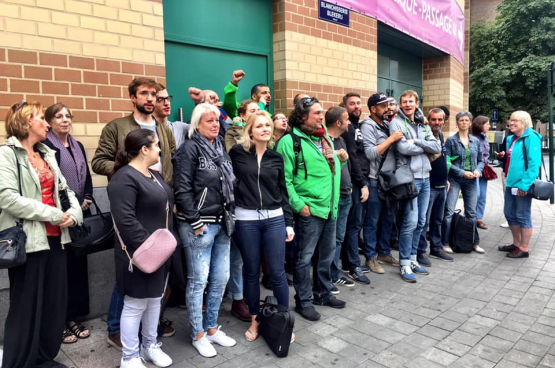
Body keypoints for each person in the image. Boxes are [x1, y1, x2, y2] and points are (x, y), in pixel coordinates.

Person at [92, 77, 177, 350]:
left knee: (157, 273)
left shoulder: (162, 128)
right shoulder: (117, 127)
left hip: (159, 204)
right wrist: (131, 174)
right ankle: (116, 329)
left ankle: (152, 328)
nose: (151, 98)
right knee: (134, 268)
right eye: (144, 94)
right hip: (132, 203)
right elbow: (98, 161)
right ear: (132, 97)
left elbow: (170, 160)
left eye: (154, 94)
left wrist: (167, 193)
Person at [0, 100, 83, 368]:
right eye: (41, 118)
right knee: (26, 307)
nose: (47, 124)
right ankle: (18, 363)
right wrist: (56, 216)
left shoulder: (46, 153)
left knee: (53, 303)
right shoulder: (7, 154)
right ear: (25, 123)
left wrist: (74, 213)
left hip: (57, 239)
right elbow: (7, 198)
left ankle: (44, 358)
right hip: (29, 242)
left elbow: (65, 189)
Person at [173, 103, 237, 357]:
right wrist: (194, 219)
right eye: (208, 120)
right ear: (196, 124)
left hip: (222, 222)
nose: (214, 124)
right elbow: (182, 188)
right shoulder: (189, 150)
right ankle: (197, 334)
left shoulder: (220, 148)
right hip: (198, 225)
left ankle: (212, 328)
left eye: (217, 120)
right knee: (198, 280)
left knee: (220, 278)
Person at [276, 97, 348, 321]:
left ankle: (322, 293)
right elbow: (284, 181)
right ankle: (304, 301)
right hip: (310, 210)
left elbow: (329, 170)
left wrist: (342, 161)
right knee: (303, 258)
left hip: (329, 207)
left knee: (325, 255)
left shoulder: (323, 136)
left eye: (321, 112)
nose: (321, 117)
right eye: (316, 113)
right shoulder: (289, 142)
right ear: (302, 117)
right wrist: (300, 206)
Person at [108, 129, 173, 368]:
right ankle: (130, 357)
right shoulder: (124, 178)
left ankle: (149, 346)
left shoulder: (151, 175)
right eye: (156, 145)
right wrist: (150, 248)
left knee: (154, 300)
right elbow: (125, 220)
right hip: (139, 254)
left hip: (160, 252)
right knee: (135, 305)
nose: (160, 150)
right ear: (144, 149)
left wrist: (162, 249)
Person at [229, 111, 295, 341]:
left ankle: (285, 322)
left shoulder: (276, 158)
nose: (266, 129)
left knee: (278, 273)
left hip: (274, 217)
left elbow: (282, 191)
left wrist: (289, 223)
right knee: (251, 271)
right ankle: (255, 320)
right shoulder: (237, 153)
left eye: (268, 125)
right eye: (260, 126)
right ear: (250, 131)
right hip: (246, 219)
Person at [43, 103, 93, 345]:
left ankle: (73, 317)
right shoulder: (45, 146)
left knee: (76, 270)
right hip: (59, 217)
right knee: (59, 272)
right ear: (49, 122)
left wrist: (87, 199)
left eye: (68, 116)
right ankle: (59, 321)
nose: (64, 120)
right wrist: (69, 207)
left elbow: (88, 177)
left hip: (80, 215)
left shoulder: (78, 145)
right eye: (58, 116)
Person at [390, 90, 441, 282]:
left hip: (425, 178)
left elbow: (436, 147)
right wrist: (424, 145)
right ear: (401, 104)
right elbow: (403, 148)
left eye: (411, 101)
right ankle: (404, 263)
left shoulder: (422, 124)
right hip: (409, 179)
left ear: (417, 103)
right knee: (410, 223)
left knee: (421, 222)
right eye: (404, 102)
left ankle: (412, 259)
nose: (408, 105)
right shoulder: (396, 123)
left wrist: (416, 141)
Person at [223, 99, 261, 322]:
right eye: (253, 111)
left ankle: (249, 295)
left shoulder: (266, 137)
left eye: (260, 111)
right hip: (240, 203)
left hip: (260, 205)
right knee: (237, 256)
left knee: (252, 257)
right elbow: (235, 162)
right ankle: (237, 299)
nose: (258, 114)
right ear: (243, 115)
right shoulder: (232, 136)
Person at [360, 93, 403, 275]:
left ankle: (384, 252)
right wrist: (391, 139)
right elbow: (370, 153)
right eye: (383, 106)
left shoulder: (387, 124)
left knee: (388, 218)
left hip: (389, 179)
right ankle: (371, 257)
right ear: (373, 109)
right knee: (372, 221)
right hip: (374, 180)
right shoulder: (367, 126)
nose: (387, 108)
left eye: (388, 105)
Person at [498, 111, 541, 258]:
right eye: (511, 120)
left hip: (522, 184)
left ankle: (524, 248)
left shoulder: (531, 137)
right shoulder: (511, 139)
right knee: (509, 213)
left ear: (524, 122)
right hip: (510, 182)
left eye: (515, 120)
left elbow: (534, 164)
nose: (511, 123)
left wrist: (525, 185)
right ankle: (516, 243)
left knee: (522, 215)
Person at [441, 111, 485, 254]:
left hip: (471, 180)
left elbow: (480, 160)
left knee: (471, 213)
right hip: (455, 179)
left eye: (467, 120)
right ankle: (446, 242)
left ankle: (473, 242)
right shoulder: (451, 141)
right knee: (449, 211)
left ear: (470, 123)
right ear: (457, 123)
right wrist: (462, 172)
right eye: (461, 120)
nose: (464, 122)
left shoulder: (476, 141)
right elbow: (446, 162)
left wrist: (478, 170)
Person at [340, 93, 370, 284]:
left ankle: (348, 262)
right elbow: (352, 157)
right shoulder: (348, 127)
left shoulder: (357, 125)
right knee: (353, 226)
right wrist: (363, 184)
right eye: (352, 104)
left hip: (360, 181)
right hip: (353, 184)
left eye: (359, 103)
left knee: (353, 226)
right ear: (345, 106)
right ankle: (353, 265)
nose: (356, 106)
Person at [324, 106, 355, 291]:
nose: (349, 122)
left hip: (346, 195)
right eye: (347, 119)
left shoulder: (341, 140)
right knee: (329, 240)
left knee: (338, 239)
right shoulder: (323, 142)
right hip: (332, 199)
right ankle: (326, 277)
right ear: (338, 122)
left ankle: (334, 274)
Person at [417, 108, 454, 262]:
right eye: (434, 119)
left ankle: (436, 249)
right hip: (428, 185)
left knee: (437, 221)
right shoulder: (425, 135)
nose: (437, 123)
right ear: (428, 120)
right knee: (423, 222)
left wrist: (445, 178)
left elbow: (442, 159)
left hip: (441, 185)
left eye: (440, 120)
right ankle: (420, 252)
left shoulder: (441, 135)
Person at [153, 85, 189, 149]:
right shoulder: (146, 129)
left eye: (167, 98)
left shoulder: (179, 127)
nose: (167, 103)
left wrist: (200, 102)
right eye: (160, 99)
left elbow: (202, 129)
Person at [472, 115, 492, 230]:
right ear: (480, 125)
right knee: (476, 194)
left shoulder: (485, 137)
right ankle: (470, 217)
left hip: (484, 170)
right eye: (487, 124)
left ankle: (478, 218)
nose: (489, 126)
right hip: (475, 171)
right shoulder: (472, 138)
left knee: (483, 196)